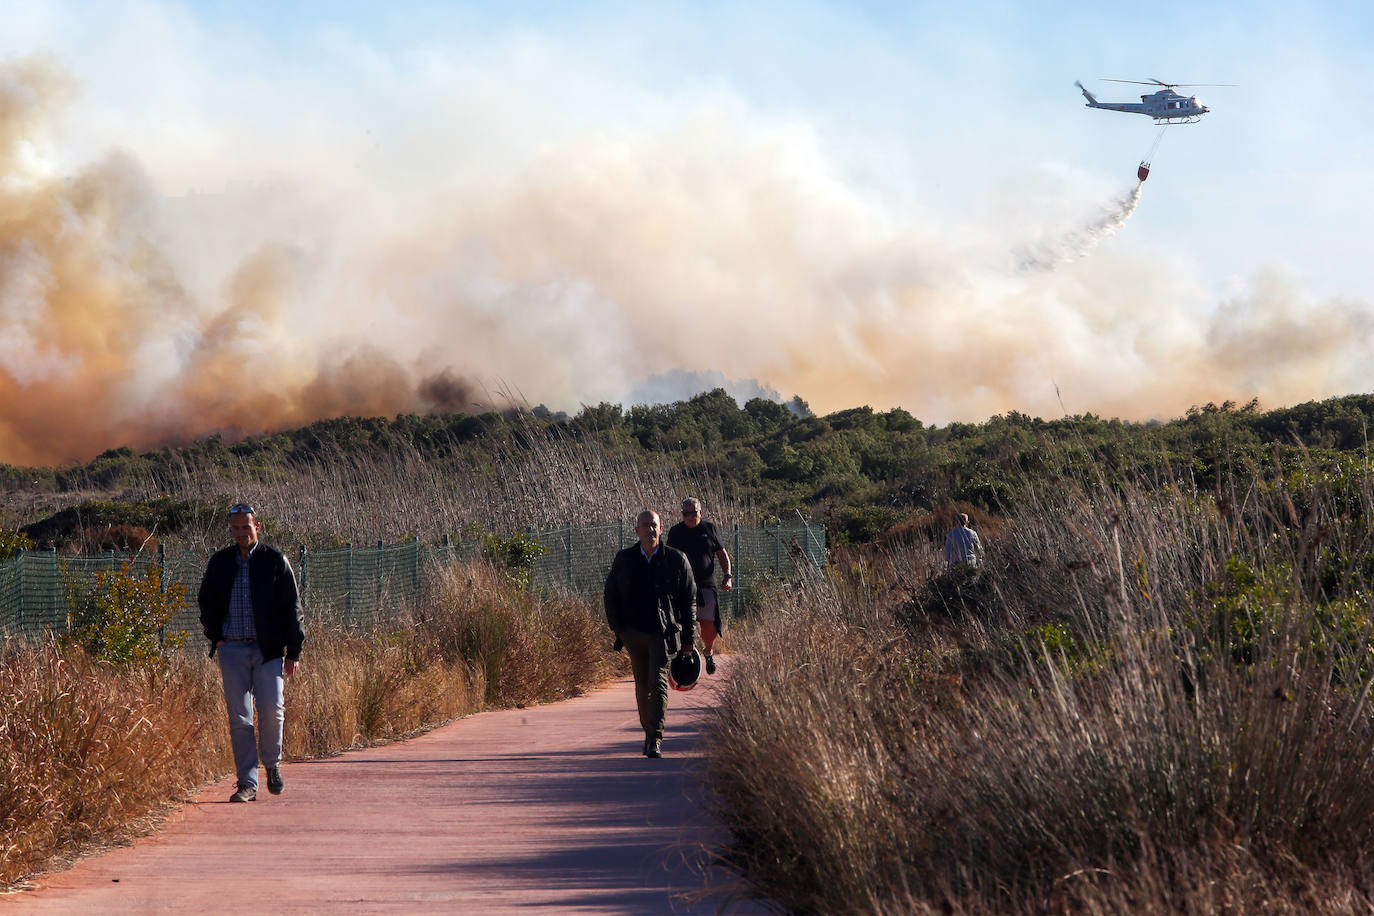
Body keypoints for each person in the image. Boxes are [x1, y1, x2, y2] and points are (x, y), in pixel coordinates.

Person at [198, 503, 305, 802]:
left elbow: (292, 608)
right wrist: (215, 637)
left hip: (268, 650)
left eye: (246, 527)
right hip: (231, 648)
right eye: (235, 528)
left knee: (272, 710)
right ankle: (247, 783)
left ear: (257, 527)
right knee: (240, 718)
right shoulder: (220, 562)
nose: (241, 533)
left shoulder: (274, 561)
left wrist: (293, 650)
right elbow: (205, 600)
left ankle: (272, 764)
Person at [604, 509, 697, 758]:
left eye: (654, 525)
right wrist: (618, 628)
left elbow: (689, 600)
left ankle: (655, 737)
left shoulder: (676, 560)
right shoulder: (625, 559)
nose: (650, 529)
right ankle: (649, 731)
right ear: (637, 531)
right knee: (642, 684)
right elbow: (610, 594)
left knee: (657, 682)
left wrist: (688, 640)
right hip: (633, 633)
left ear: (661, 528)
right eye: (645, 525)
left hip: (662, 633)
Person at [666, 497, 732, 675]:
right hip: (682, 587)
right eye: (686, 513)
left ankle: (708, 652)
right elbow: (668, 560)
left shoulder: (709, 529)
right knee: (680, 624)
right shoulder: (675, 532)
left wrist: (727, 575)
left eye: (693, 512)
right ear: (682, 515)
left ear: (700, 513)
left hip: (706, 585)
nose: (690, 516)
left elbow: (722, 553)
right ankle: (684, 657)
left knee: (709, 626)